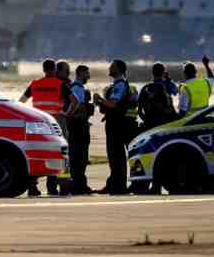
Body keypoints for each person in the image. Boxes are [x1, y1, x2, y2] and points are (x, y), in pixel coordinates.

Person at [93, 59, 138, 195]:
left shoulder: (119, 85)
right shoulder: (125, 86)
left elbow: (113, 104)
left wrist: (100, 99)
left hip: (117, 125)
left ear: (118, 69)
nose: (109, 68)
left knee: (116, 156)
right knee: (120, 156)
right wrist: (101, 103)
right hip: (125, 123)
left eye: (111, 66)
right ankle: (119, 183)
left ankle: (118, 185)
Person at [20, 59, 63, 196]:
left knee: (35, 154)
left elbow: (21, 102)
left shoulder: (35, 84)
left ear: (44, 70)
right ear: (55, 69)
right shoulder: (59, 84)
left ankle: (32, 187)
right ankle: (51, 187)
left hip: (36, 123)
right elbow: (74, 101)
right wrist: (66, 113)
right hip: (53, 123)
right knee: (54, 154)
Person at [64, 65, 94, 195]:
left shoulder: (76, 87)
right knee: (79, 157)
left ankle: (79, 183)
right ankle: (78, 185)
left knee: (79, 156)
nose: (88, 76)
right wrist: (86, 111)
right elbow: (79, 107)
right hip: (78, 127)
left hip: (77, 126)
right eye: (86, 73)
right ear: (80, 73)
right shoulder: (77, 88)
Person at [137, 62, 177, 131]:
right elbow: (175, 91)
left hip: (150, 124)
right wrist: (168, 79)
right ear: (163, 72)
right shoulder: (167, 85)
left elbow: (139, 110)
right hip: (166, 123)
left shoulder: (145, 88)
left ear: (152, 73)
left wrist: (147, 121)